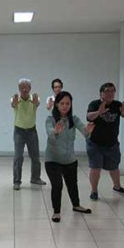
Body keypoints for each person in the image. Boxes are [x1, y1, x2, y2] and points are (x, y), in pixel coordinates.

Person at [45, 91, 94, 222]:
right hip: (53, 160)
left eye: (68, 103)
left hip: (70, 159)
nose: (65, 106)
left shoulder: (74, 119)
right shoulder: (50, 120)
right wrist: (55, 131)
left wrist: (88, 132)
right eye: (62, 103)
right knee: (57, 185)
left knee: (72, 184)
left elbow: (85, 132)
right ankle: (56, 212)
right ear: (56, 105)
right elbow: (50, 135)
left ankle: (76, 205)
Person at [86, 82, 124, 200]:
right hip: (95, 143)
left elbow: (123, 114)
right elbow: (89, 116)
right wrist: (98, 113)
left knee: (114, 167)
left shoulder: (117, 104)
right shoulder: (95, 104)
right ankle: (94, 191)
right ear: (101, 93)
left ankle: (117, 186)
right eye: (107, 91)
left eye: (112, 91)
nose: (110, 93)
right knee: (95, 167)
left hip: (112, 143)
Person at [11, 78, 45, 190]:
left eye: (26, 87)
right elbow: (13, 104)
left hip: (32, 131)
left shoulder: (34, 98)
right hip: (19, 131)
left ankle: (35, 178)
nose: (24, 89)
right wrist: (14, 102)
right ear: (19, 88)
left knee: (35, 156)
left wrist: (36, 102)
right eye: (22, 87)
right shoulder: (15, 98)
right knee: (18, 157)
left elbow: (37, 102)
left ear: (30, 88)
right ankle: (17, 181)